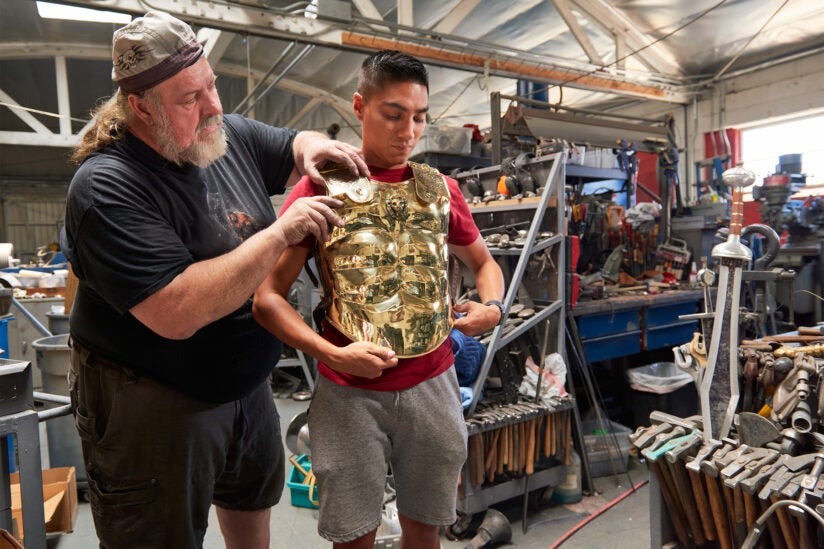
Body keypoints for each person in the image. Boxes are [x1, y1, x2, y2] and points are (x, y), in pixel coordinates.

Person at [60, 10, 369, 549]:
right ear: (140, 107)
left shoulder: (222, 135)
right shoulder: (106, 186)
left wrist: (314, 146)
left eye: (213, 86)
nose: (214, 108)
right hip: (152, 400)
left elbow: (294, 143)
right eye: (189, 99)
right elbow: (176, 311)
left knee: (251, 502)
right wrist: (278, 235)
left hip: (244, 385)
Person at [253, 50, 505, 548]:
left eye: (419, 117)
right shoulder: (319, 188)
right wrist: (330, 352)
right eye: (393, 115)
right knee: (352, 536)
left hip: (434, 383)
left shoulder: (441, 189)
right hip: (349, 391)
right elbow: (267, 299)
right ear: (359, 106)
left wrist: (492, 308)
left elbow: (484, 264)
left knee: (426, 530)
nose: (408, 131)